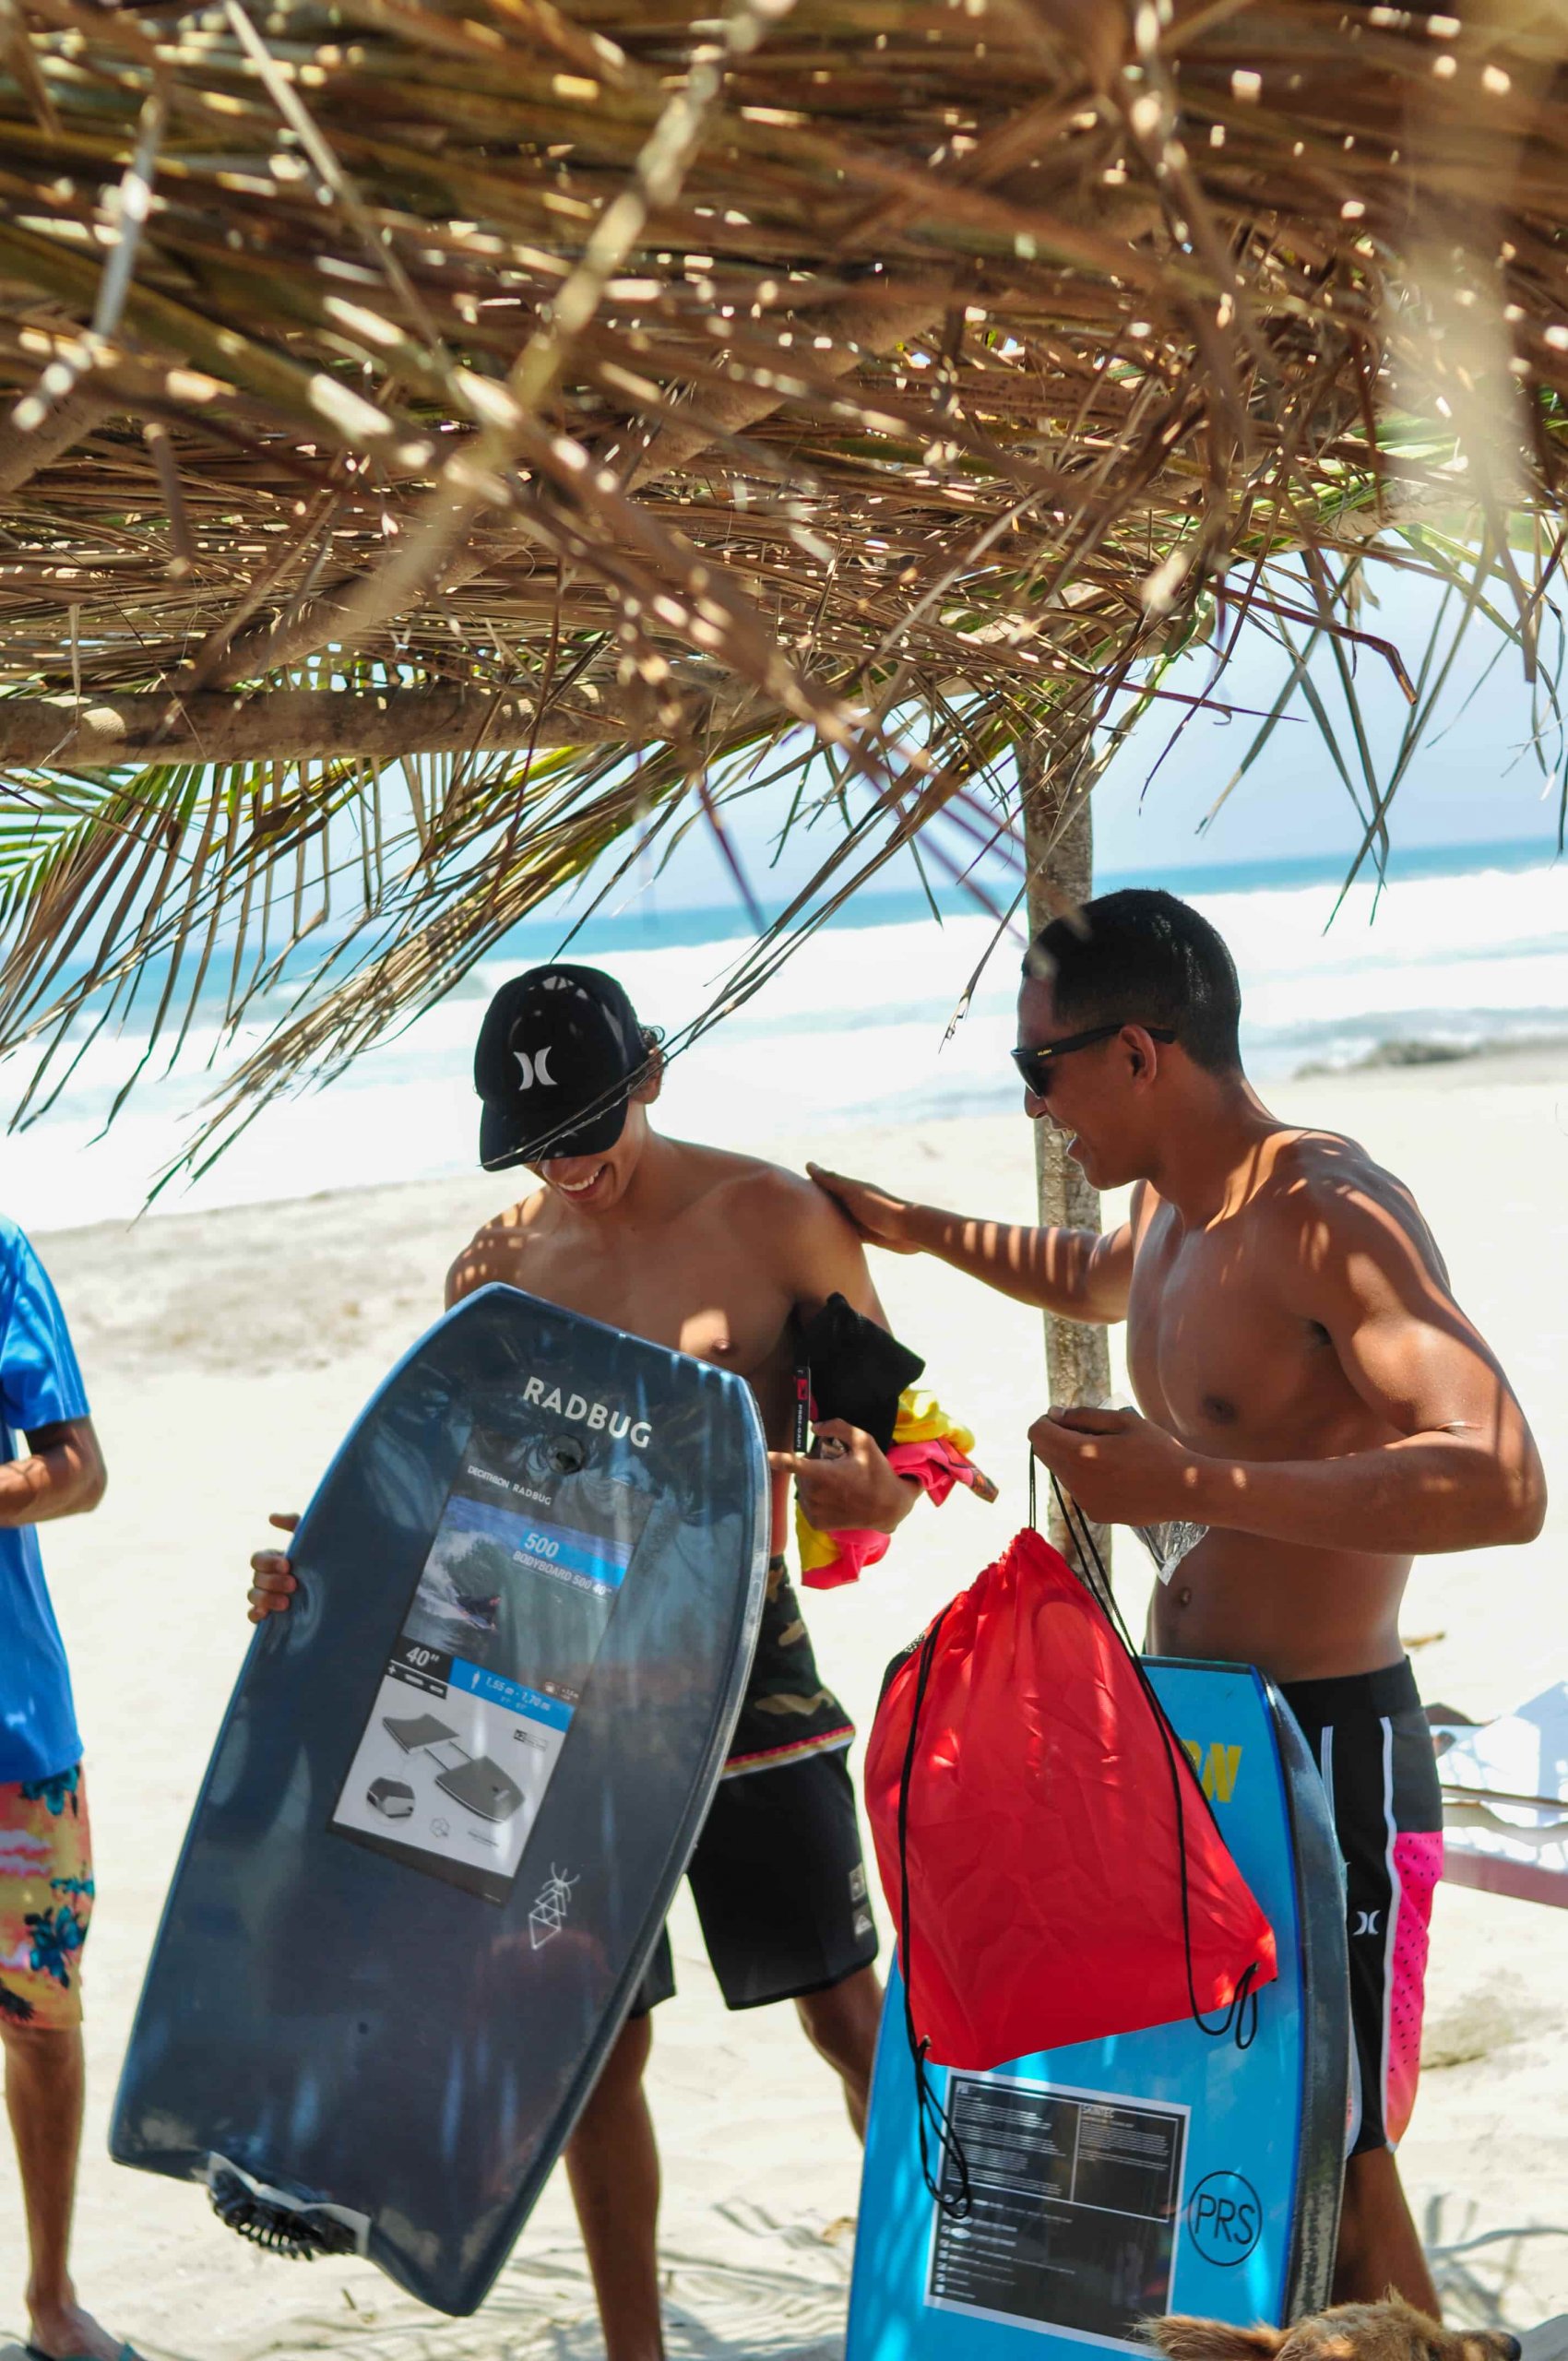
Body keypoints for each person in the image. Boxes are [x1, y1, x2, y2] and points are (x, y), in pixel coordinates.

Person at [810, 887, 1546, 2318]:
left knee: (1340, 2154)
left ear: (1140, 1054)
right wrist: (914, 1231)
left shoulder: (1327, 1216)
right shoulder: (1169, 1208)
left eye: (1043, 1070)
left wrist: (1197, 1480)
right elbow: (1100, 1277)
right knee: (1228, 2136)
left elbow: (1502, 1481)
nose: (1034, 1108)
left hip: (1324, 1750)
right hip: (1194, 1747)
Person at [246, 964, 945, 2361]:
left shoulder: (774, 1220)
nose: (569, 1170)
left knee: (848, 2011)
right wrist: (316, 1576)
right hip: (542, 1681)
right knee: (589, 2045)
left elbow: (905, 1451)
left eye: (587, 1131)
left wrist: (872, 1494)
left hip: (742, 1662)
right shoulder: (497, 1265)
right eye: (535, 1148)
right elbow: (449, 1503)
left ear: (654, 1078)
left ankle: (937, 2316)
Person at [0, 1216, 131, 2361]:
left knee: (40, 2020)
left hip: (10, 1726)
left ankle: (49, 2296)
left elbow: (77, 1470)